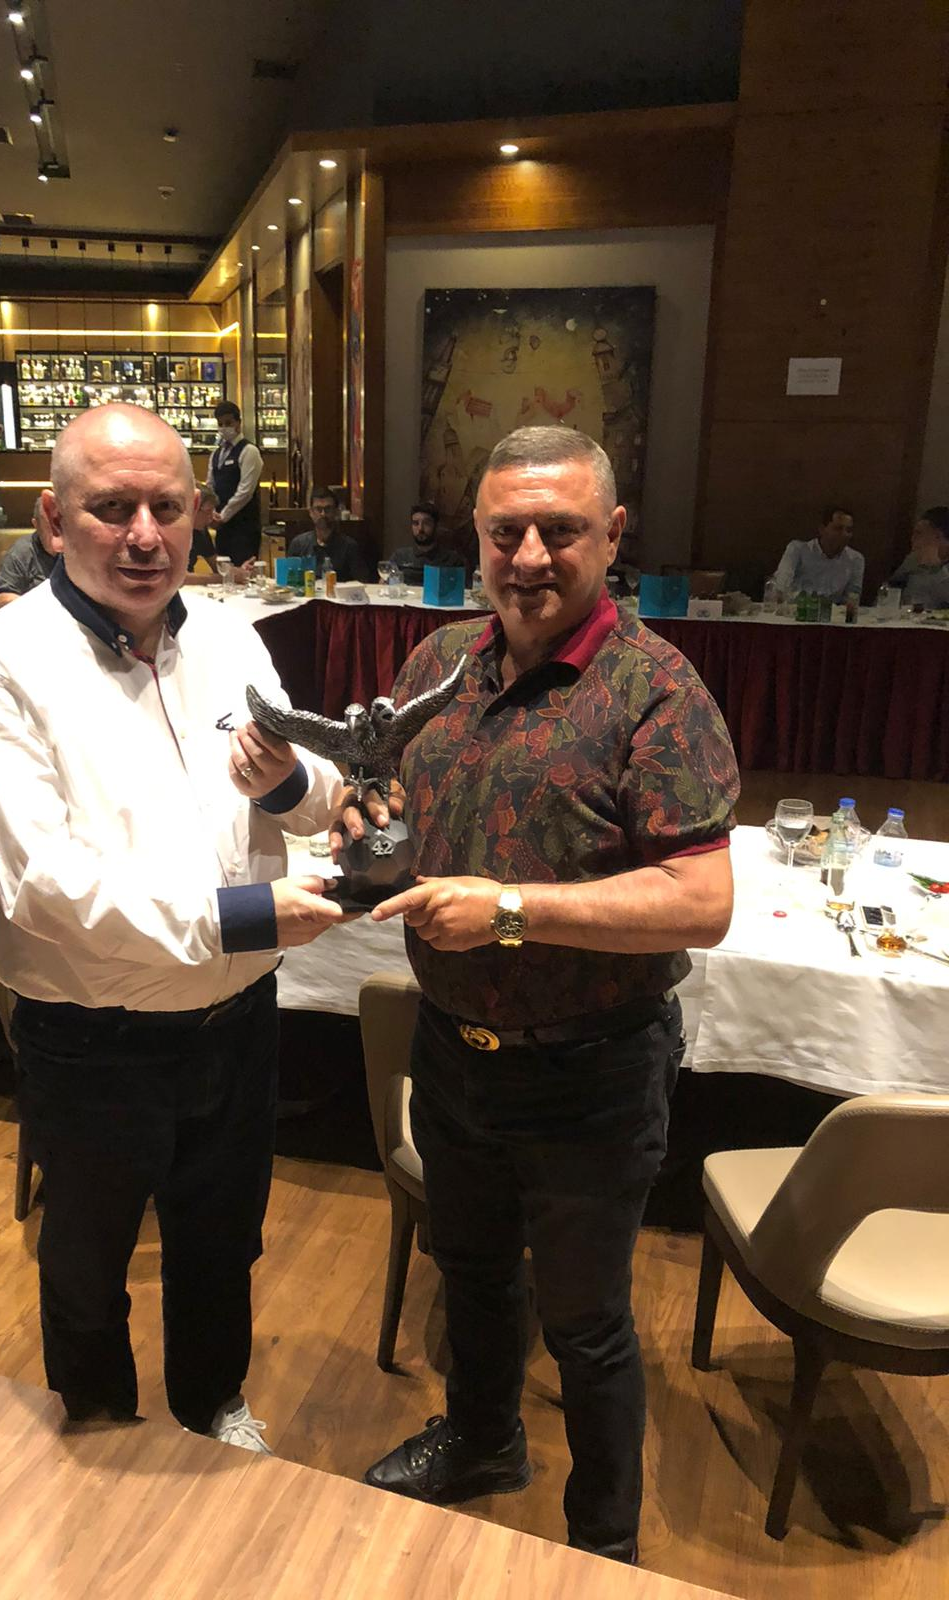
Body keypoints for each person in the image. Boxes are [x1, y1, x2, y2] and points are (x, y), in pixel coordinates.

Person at [348, 425, 738, 1564]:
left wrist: (510, 910)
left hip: (591, 1067)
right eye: (505, 531)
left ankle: (602, 1545)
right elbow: (388, 798)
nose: (528, 556)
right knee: (470, 1271)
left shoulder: (659, 689)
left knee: (585, 1322)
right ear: (474, 537)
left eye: (559, 531)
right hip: (452, 1046)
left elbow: (701, 901)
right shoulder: (437, 663)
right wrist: (364, 821)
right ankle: (484, 1442)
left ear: (612, 535)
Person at [0, 403, 345, 1443]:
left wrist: (293, 784)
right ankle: (101, 1417)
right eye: (113, 508)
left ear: (200, 514)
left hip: (238, 1021)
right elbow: (45, 887)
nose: (145, 536)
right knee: (87, 1256)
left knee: (223, 1240)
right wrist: (242, 916)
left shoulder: (232, 636)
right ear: (53, 519)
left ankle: (212, 1403)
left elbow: (313, 793)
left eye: (168, 507)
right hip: (92, 1037)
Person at [207, 401, 263, 567]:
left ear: (238, 423)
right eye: (220, 424)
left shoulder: (249, 451)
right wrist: (211, 513)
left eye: (228, 423)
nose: (224, 428)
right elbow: (210, 486)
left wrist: (223, 516)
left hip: (244, 527)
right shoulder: (216, 454)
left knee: (244, 572)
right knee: (224, 572)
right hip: (222, 527)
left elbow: (245, 492)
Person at [770, 505, 863, 602]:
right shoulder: (797, 550)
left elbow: (853, 597)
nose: (844, 534)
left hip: (832, 610)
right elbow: (780, 586)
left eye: (848, 530)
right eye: (838, 528)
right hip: (796, 607)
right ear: (822, 529)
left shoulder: (856, 559)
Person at [286, 488, 368, 582]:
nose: (323, 514)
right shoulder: (298, 544)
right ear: (311, 513)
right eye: (318, 509)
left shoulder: (349, 546)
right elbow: (288, 581)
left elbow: (361, 582)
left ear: (336, 512)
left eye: (328, 509)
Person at [0, 496, 62, 608]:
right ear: (36, 525)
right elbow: (3, 598)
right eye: (49, 528)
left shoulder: (74, 548)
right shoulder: (21, 552)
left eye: (59, 527)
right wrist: (42, 607)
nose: (55, 534)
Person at [389, 502, 467, 584]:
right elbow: (384, 584)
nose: (420, 529)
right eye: (416, 523)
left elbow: (463, 589)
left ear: (436, 526)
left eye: (426, 523)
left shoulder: (452, 560)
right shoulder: (399, 557)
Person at [888, 505, 949, 609]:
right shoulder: (913, 559)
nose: (912, 539)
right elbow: (890, 590)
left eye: (918, 534)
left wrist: (935, 569)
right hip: (905, 616)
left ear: (937, 536)